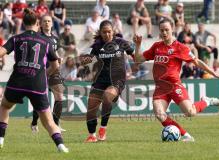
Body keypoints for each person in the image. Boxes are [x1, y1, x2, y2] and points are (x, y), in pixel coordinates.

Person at [133, 19, 219, 142]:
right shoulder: (156, 46)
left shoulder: (180, 48)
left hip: (174, 86)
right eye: (162, 30)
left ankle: (206, 101)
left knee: (190, 113)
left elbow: (196, 62)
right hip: (160, 87)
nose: (164, 33)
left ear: (173, 29)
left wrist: (213, 72)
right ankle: (185, 135)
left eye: (167, 30)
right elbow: (138, 59)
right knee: (159, 113)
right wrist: (138, 45)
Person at [0, 9, 68, 152]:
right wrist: (44, 73)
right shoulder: (46, 41)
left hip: (17, 82)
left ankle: (0, 139)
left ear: (23, 24)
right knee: (48, 121)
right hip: (37, 83)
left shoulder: (16, 38)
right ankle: (60, 145)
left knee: (5, 107)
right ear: (38, 23)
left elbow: (1, 52)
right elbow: (56, 65)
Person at [80, 20, 134, 142]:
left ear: (113, 31)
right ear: (100, 32)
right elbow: (89, 61)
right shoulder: (97, 46)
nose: (107, 34)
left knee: (107, 96)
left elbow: (136, 55)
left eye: (109, 32)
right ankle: (91, 135)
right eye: (104, 32)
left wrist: (139, 48)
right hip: (100, 80)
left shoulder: (121, 43)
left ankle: (103, 129)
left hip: (116, 81)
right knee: (91, 110)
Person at [31, 15, 66, 133]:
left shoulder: (56, 38)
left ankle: (56, 125)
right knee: (41, 100)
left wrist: (59, 58)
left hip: (54, 71)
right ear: (41, 24)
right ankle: (34, 122)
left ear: (52, 23)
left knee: (60, 97)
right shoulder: (37, 37)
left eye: (49, 21)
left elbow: (57, 53)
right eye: (44, 21)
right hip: (41, 72)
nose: (47, 23)